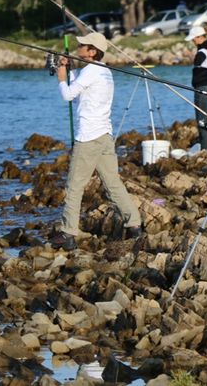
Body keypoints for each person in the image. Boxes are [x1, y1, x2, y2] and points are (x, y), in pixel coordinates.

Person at [52, 32, 143, 250]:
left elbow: (68, 95)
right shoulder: (103, 71)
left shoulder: (91, 71)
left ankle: (68, 233)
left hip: (89, 137)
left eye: (83, 45)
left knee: (74, 186)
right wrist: (71, 69)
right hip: (104, 135)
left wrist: (62, 74)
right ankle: (134, 225)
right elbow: (82, 89)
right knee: (112, 183)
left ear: (92, 51)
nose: (79, 47)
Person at [185, 26, 207, 152]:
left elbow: (198, 60)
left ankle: (204, 150)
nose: (193, 42)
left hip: (203, 89)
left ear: (200, 37)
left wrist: (192, 56)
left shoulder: (204, 49)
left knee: (202, 121)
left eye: (194, 39)